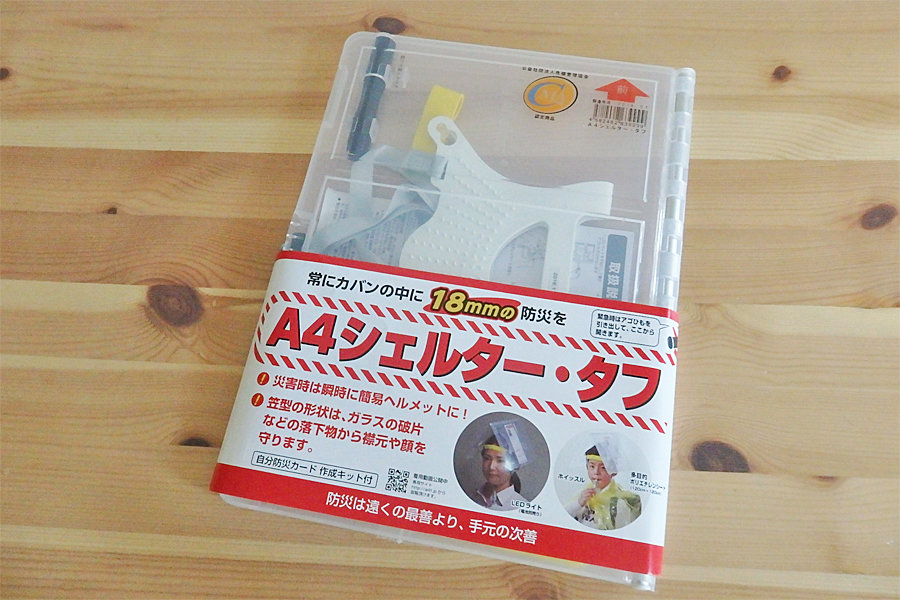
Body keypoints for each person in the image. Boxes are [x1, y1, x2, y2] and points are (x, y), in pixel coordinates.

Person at [565, 442, 641, 529]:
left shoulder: (619, 503)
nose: (596, 472)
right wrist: (579, 503)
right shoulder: (582, 494)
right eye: (592, 466)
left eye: (603, 468)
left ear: (613, 472)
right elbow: (563, 517)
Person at [472, 435, 527, 511]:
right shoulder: (471, 497)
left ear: (514, 466)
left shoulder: (520, 508)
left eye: (500, 461)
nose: (491, 467)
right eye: (487, 458)